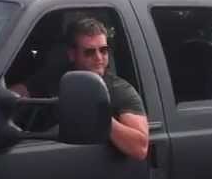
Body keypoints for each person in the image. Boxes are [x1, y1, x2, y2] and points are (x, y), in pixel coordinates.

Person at [12, 17, 148, 160]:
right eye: (89, 52)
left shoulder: (119, 90)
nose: (99, 57)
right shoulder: (55, 77)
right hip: (44, 156)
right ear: (72, 55)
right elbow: (16, 93)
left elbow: (140, 148)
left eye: (103, 50)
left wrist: (101, 116)